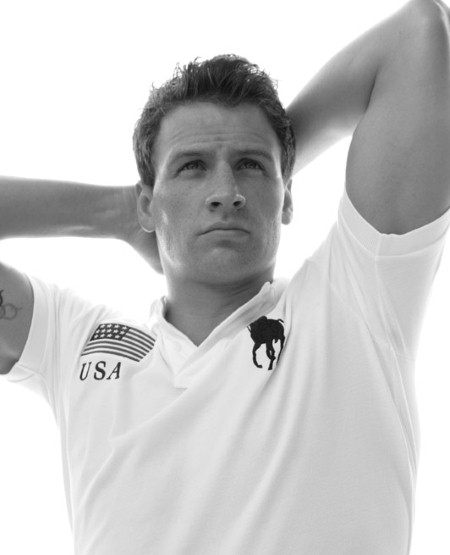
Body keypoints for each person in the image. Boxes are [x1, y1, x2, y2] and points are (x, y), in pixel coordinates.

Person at [1, 0, 449, 553]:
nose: (225, 192)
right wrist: (113, 213)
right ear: (147, 203)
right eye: (191, 167)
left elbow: (418, 35)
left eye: (249, 167)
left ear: (288, 198)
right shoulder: (73, 342)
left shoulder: (354, 304)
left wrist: (275, 157)